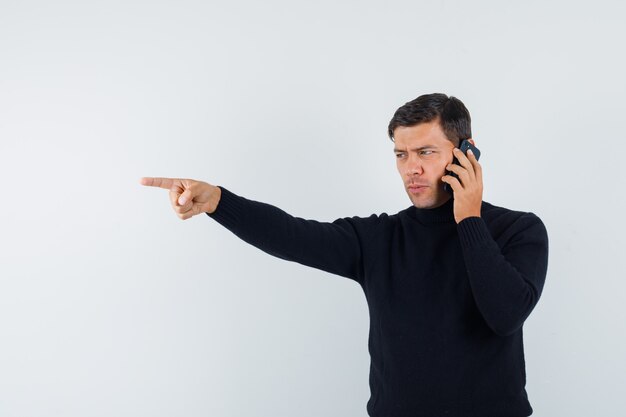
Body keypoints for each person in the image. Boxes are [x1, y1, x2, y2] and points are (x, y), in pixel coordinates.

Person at [140, 93, 549, 417]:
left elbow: (506, 314)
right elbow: (293, 235)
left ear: (467, 154)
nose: (411, 169)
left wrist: (469, 219)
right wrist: (218, 201)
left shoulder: (519, 230)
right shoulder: (380, 237)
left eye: (426, 152)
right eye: (401, 154)